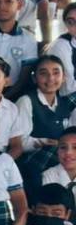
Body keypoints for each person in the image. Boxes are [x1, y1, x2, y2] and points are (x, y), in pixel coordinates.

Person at [16, 55, 76, 199]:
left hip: (59, 160)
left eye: (56, 73)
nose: (50, 79)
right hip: (32, 164)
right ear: (35, 78)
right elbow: (20, 143)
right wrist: (47, 142)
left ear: (64, 77)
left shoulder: (64, 105)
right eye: (44, 73)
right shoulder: (26, 101)